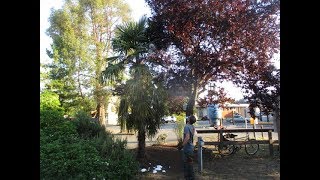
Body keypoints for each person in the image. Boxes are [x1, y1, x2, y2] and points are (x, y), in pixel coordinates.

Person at [179, 115, 197, 180]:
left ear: (189, 120)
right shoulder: (192, 126)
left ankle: (188, 177)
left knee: (186, 163)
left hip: (187, 148)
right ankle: (191, 177)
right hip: (191, 147)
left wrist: (182, 145)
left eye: (188, 118)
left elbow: (187, 137)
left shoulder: (186, 127)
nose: (187, 118)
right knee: (190, 163)